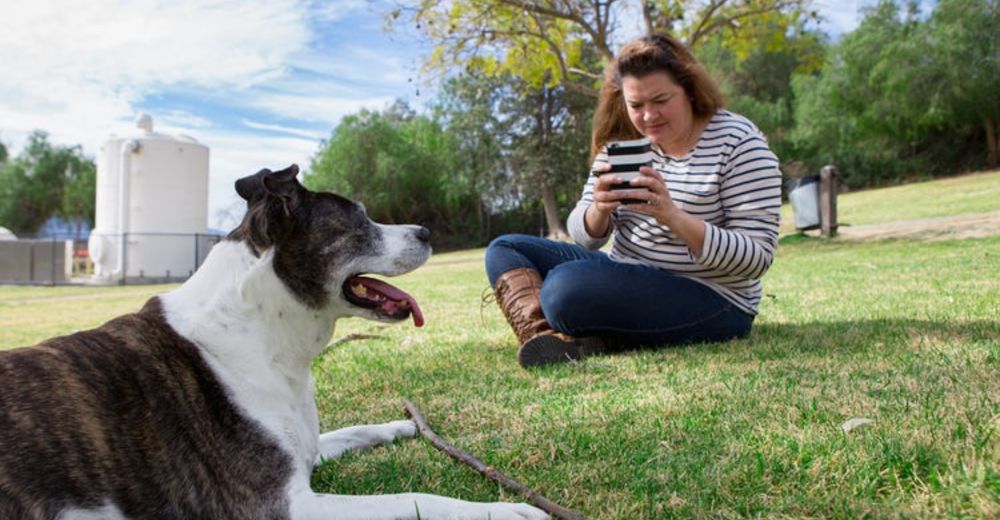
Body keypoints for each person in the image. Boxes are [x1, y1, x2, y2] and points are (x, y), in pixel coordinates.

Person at [485, 33, 782, 368]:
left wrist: (672, 216)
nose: (648, 116)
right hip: (625, 276)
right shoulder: (623, 144)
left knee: (564, 289)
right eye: (636, 105)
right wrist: (599, 209)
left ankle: (581, 331)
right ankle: (547, 339)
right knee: (505, 248)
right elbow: (584, 237)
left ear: (689, 90)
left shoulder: (740, 143)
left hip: (714, 298)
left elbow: (757, 258)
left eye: (660, 100)